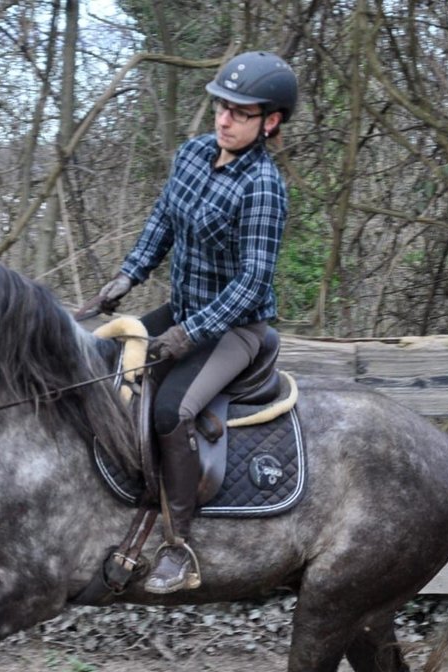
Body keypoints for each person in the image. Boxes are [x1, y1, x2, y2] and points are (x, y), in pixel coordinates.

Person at [92, 50, 297, 594]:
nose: (224, 120)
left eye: (239, 113)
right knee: (102, 361)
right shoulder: (192, 155)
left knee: (169, 410)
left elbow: (252, 283)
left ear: (269, 122)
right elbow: (162, 220)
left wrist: (186, 336)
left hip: (236, 330)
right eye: (221, 108)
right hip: (182, 310)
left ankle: (178, 546)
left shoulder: (264, 188)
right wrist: (126, 278)